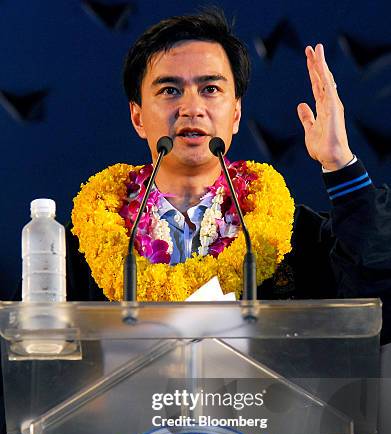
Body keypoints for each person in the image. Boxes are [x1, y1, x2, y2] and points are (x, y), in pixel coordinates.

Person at [68, 8, 391, 345]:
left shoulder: (291, 238)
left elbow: (379, 310)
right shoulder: (83, 245)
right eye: (169, 91)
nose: (192, 108)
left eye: (210, 89)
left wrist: (341, 163)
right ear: (137, 118)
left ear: (236, 114)